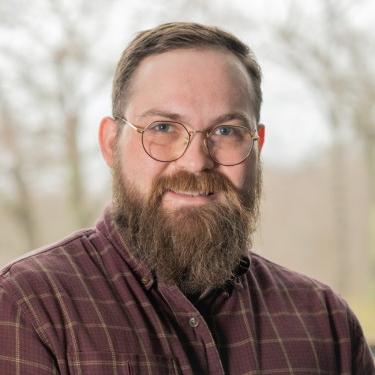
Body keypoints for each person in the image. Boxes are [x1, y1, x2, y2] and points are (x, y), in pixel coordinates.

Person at [0, 22, 373, 375]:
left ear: (257, 146)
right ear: (111, 144)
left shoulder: (325, 323)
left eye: (226, 131)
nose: (195, 162)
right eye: (163, 128)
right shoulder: (28, 308)